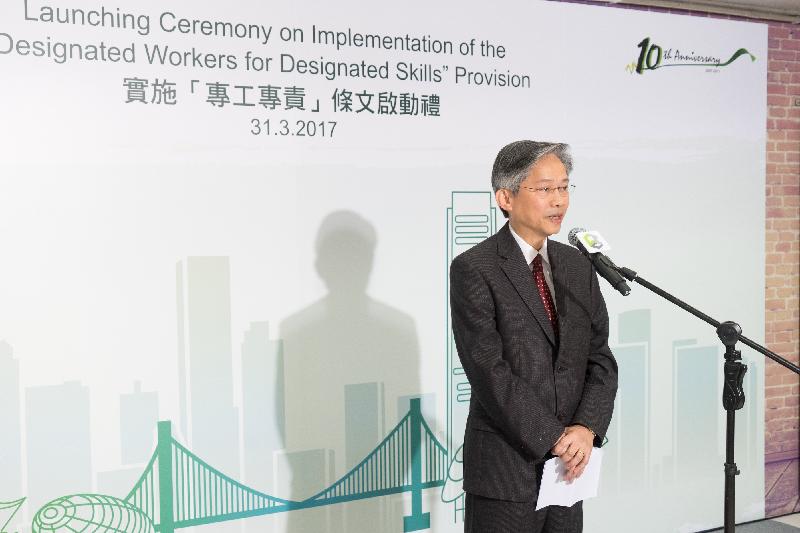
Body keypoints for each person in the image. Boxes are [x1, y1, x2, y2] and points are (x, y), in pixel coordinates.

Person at [449, 140, 618, 532]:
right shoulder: (476, 268)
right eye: (544, 190)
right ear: (505, 197)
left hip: (569, 471)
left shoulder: (578, 266)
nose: (558, 200)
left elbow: (600, 357)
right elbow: (489, 371)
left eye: (563, 187)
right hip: (505, 472)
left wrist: (586, 429)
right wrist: (554, 436)